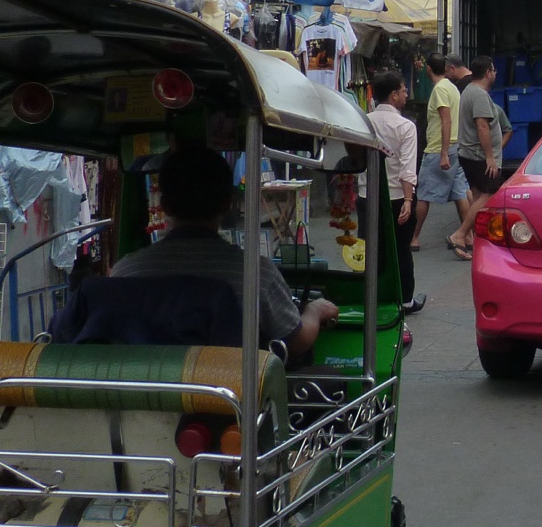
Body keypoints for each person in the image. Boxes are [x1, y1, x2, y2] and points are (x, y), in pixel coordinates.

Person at [112, 145, 338, 356]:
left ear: (165, 205)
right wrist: (315, 311)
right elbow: (296, 341)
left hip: (141, 395)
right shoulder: (256, 273)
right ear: (227, 204)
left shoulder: (124, 273)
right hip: (226, 396)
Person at [366, 70, 427, 314]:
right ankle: (405, 300)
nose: (406, 94)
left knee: (372, 248)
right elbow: (407, 167)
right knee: (401, 249)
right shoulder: (405, 126)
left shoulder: (364, 121)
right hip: (396, 196)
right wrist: (409, 199)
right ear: (393, 95)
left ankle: (374, 296)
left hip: (367, 195)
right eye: (403, 90)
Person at [415, 56, 472, 260]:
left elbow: (445, 121)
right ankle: (468, 235)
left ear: (428, 69)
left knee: (423, 194)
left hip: (440, 147)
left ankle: (414, 237)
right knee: (460, 192)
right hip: (456, 145)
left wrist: (444, 152)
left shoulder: (440, 90)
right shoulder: (452, 87)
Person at [455, 56, 503, 202]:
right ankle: (464, 227)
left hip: (469, 154)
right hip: (479, 156)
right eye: (494, 70)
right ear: (488, 73)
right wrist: (490, 157)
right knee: (488, 194)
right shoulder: (479, 95)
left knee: (477, 195)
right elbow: (482, 126)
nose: (496, 74)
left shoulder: (469, 90)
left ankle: (476, 226)